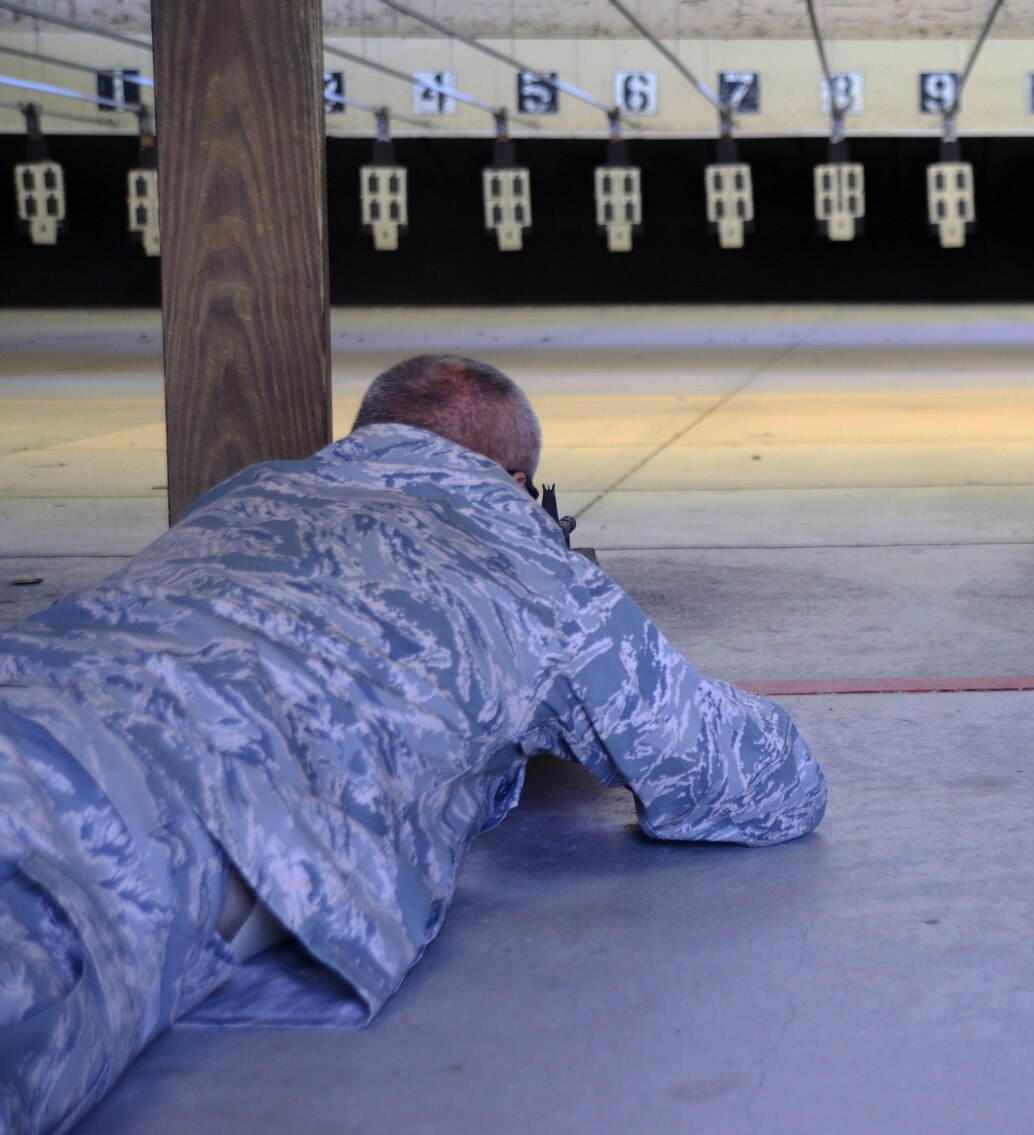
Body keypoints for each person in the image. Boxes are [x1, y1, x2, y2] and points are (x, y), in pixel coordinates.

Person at [0, 355, 827, 1133]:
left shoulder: (250, 493)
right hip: (146, 821)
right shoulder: (524, 558)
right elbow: (760, 784)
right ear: (514, 481)